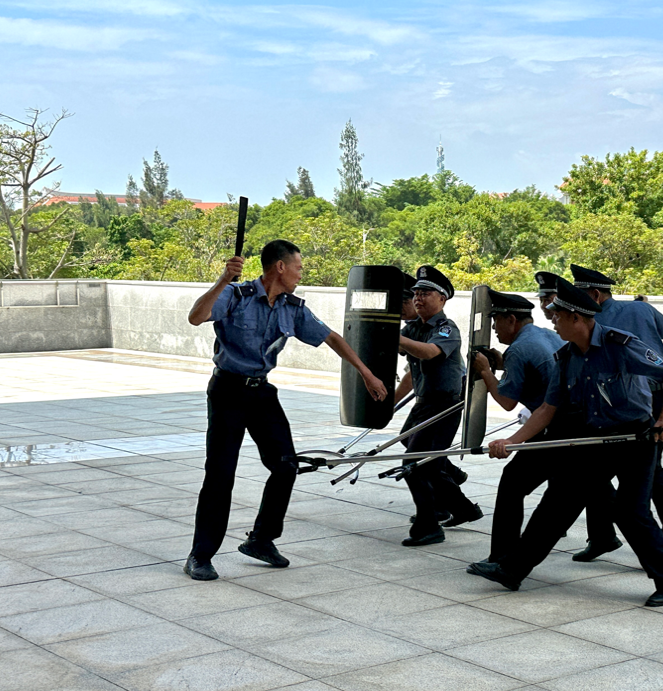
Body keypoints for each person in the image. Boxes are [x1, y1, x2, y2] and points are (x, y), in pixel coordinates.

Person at [466, 277, 663, 607]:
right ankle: (512, 570)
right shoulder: (566, 357)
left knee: (630, 510)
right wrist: (512, 441)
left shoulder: (620, 344)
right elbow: (547, 409)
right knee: (559, 501)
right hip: (595, 439)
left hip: (636, 439)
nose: (552, 322)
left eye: (557, 317)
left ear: (576, 318)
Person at [184, 240, 387, 581]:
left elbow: (331, 337)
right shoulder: (236, 296)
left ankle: (261, 540)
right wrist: (222, 279)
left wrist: (365, 373)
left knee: (286, 466)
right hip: (228, 391)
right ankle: (200, 556)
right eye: (298, 267)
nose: (300, 273)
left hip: (261, 392)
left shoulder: (292, 308)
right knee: (220, 475)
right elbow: (196, 316)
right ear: (280, 267)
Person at [570, 263, 663, 562]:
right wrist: (645, 313)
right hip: (652, 397)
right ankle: (603, 536)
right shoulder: (641, 310)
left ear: (594, 295)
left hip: (643, 399)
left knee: (647, 470)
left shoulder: (591, 321)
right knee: (601, 466)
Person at [470, 288, 565, 562]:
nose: (493, 328)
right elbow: (534, 377)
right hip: (570, 422)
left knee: (512, 484)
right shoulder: (547, 335)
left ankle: (501, 557)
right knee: (591, 488)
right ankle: (611, 537)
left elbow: (507, 401)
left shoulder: (519, 349)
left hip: (550, 427)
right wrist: (502, 365)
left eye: (496, 320)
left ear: (511, 320)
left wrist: (486, 372)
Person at [396, 265, 482, 546]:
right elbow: (411, 369)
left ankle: (430, 524)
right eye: (416, 293)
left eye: (426, 293)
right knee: (420, 457)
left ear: (442, 298)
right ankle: (458, 505)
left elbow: (430, 353)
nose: (418, 298)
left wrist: (394, 336)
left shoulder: (446, 328)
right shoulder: (413, 328)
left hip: (445, 405)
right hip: (425, 403)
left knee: (415, 463)